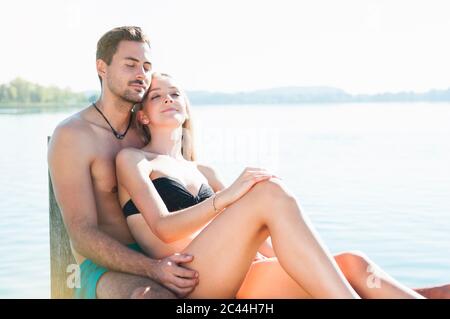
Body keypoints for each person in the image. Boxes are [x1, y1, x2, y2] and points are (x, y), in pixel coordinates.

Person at [116, 72, 449, 298]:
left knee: (352, 262)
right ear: (143, 116)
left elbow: (254, 232)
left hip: (241, 275)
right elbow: (163, 229)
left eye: (175, 93)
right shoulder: (134, 160)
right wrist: (226, 197)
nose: (168, 99)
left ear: (187, 108)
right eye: (156, 96)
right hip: (191, 281)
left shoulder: (203, 170)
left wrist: (282, 260)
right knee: (268, 192)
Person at [47, 26, 199, 299]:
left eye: (146, 66)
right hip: (103, 267)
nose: (141, 74)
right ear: (101, 67)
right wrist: (153, 269)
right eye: (130, 65)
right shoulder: (73, 136)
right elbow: (81, 232)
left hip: (164, 252)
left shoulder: (149, 130)